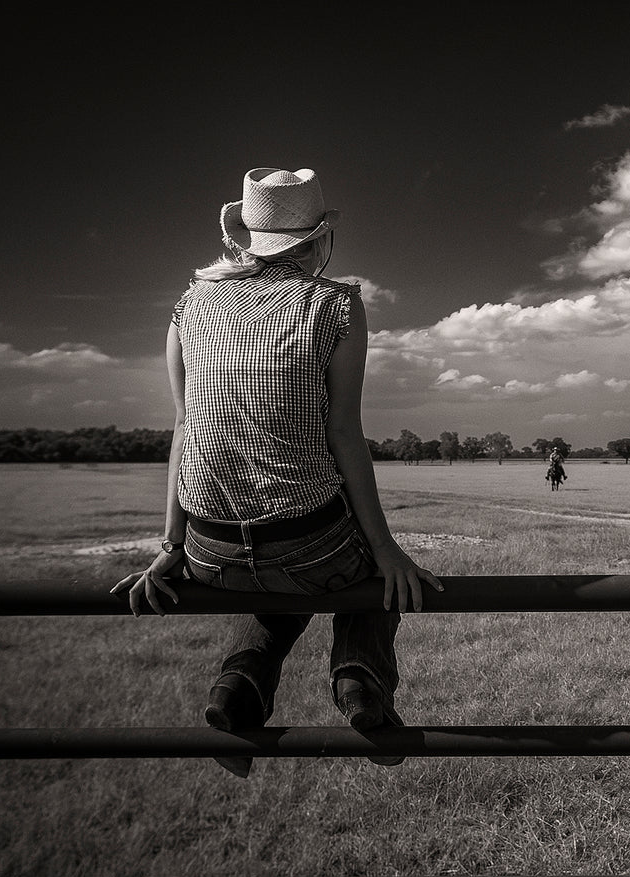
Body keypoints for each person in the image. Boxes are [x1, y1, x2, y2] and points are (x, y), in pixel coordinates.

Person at [111, 167, 442, 777]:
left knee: (278, 577)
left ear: (244, 237)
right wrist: (389, 548)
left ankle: (240, 684)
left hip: (210, 553)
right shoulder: (337, 303)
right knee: (364, 566)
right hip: (309, 549)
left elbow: (184, 429)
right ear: (320, 241)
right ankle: (359, 680)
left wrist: (170, 547)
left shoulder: (188, 306)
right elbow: (344, 431)